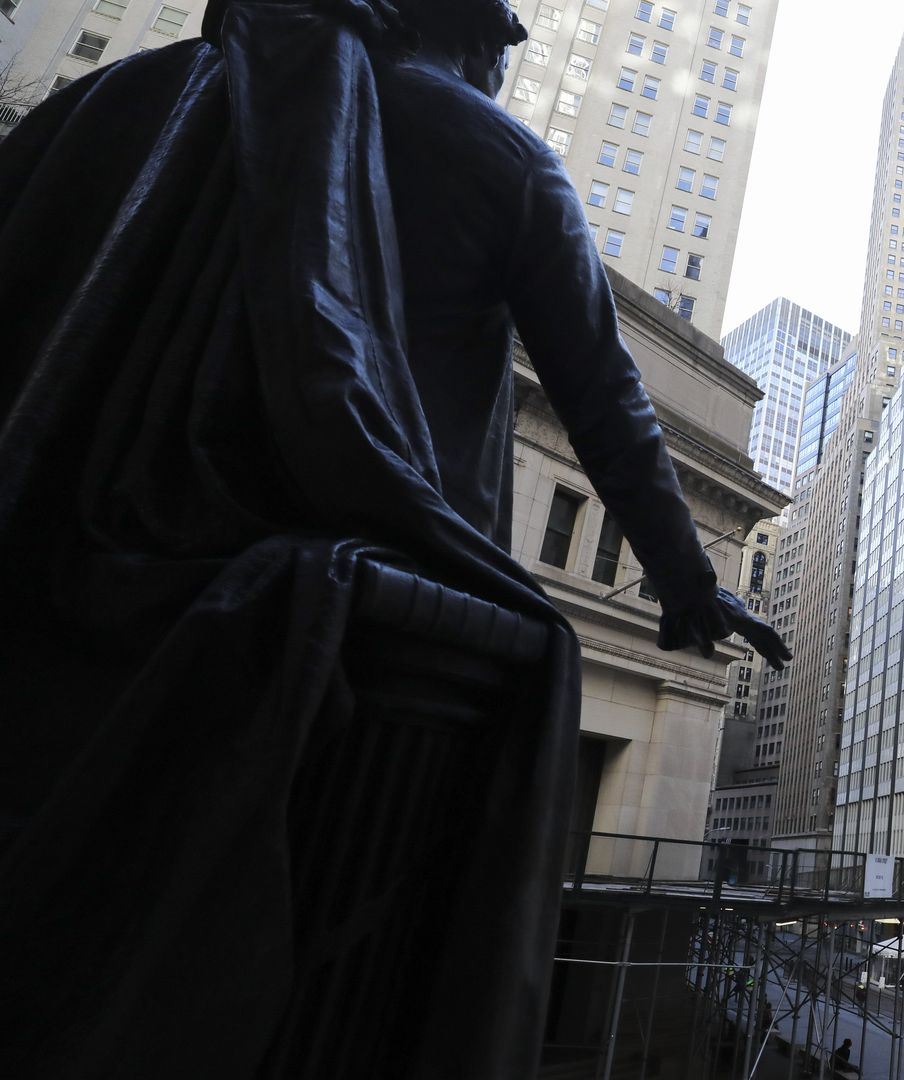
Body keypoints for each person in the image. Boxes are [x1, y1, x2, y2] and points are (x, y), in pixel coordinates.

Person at [0, 0, 787, 1075]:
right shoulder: (502, 157)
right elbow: (606, 398)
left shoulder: (129, 100)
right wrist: (692, 583)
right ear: (481, 40)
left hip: (59, 592)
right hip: (372, 654)